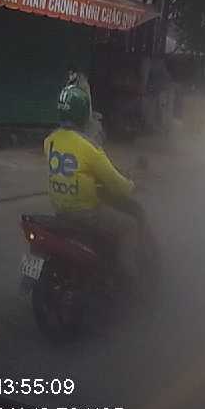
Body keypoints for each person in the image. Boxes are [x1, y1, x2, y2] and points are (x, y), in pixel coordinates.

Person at [45, 83, 148, 290]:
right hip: (86, 214)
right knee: (130, 225)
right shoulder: (90, 149)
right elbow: (117, 185)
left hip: (60, 210)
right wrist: (132, 186)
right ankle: (129, 277)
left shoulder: (50, 141)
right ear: (84, 115)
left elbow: (74, 170)